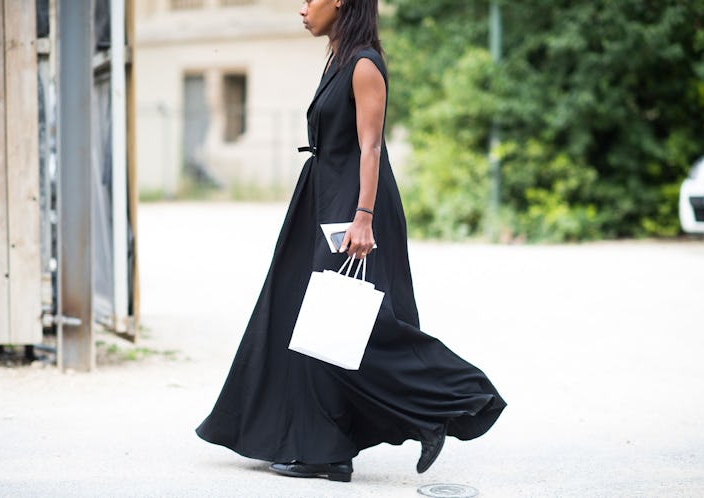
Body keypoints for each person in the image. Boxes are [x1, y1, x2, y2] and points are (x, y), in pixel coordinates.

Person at [195, 0, 506, 483]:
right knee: (306, 319)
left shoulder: (364, 64)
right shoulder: (339, 58)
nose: (302, 9)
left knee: (353, 323)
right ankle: (324, 447)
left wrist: (362, 218)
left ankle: (454, 400)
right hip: (322, 197)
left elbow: (372, 145)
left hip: (352, 204)